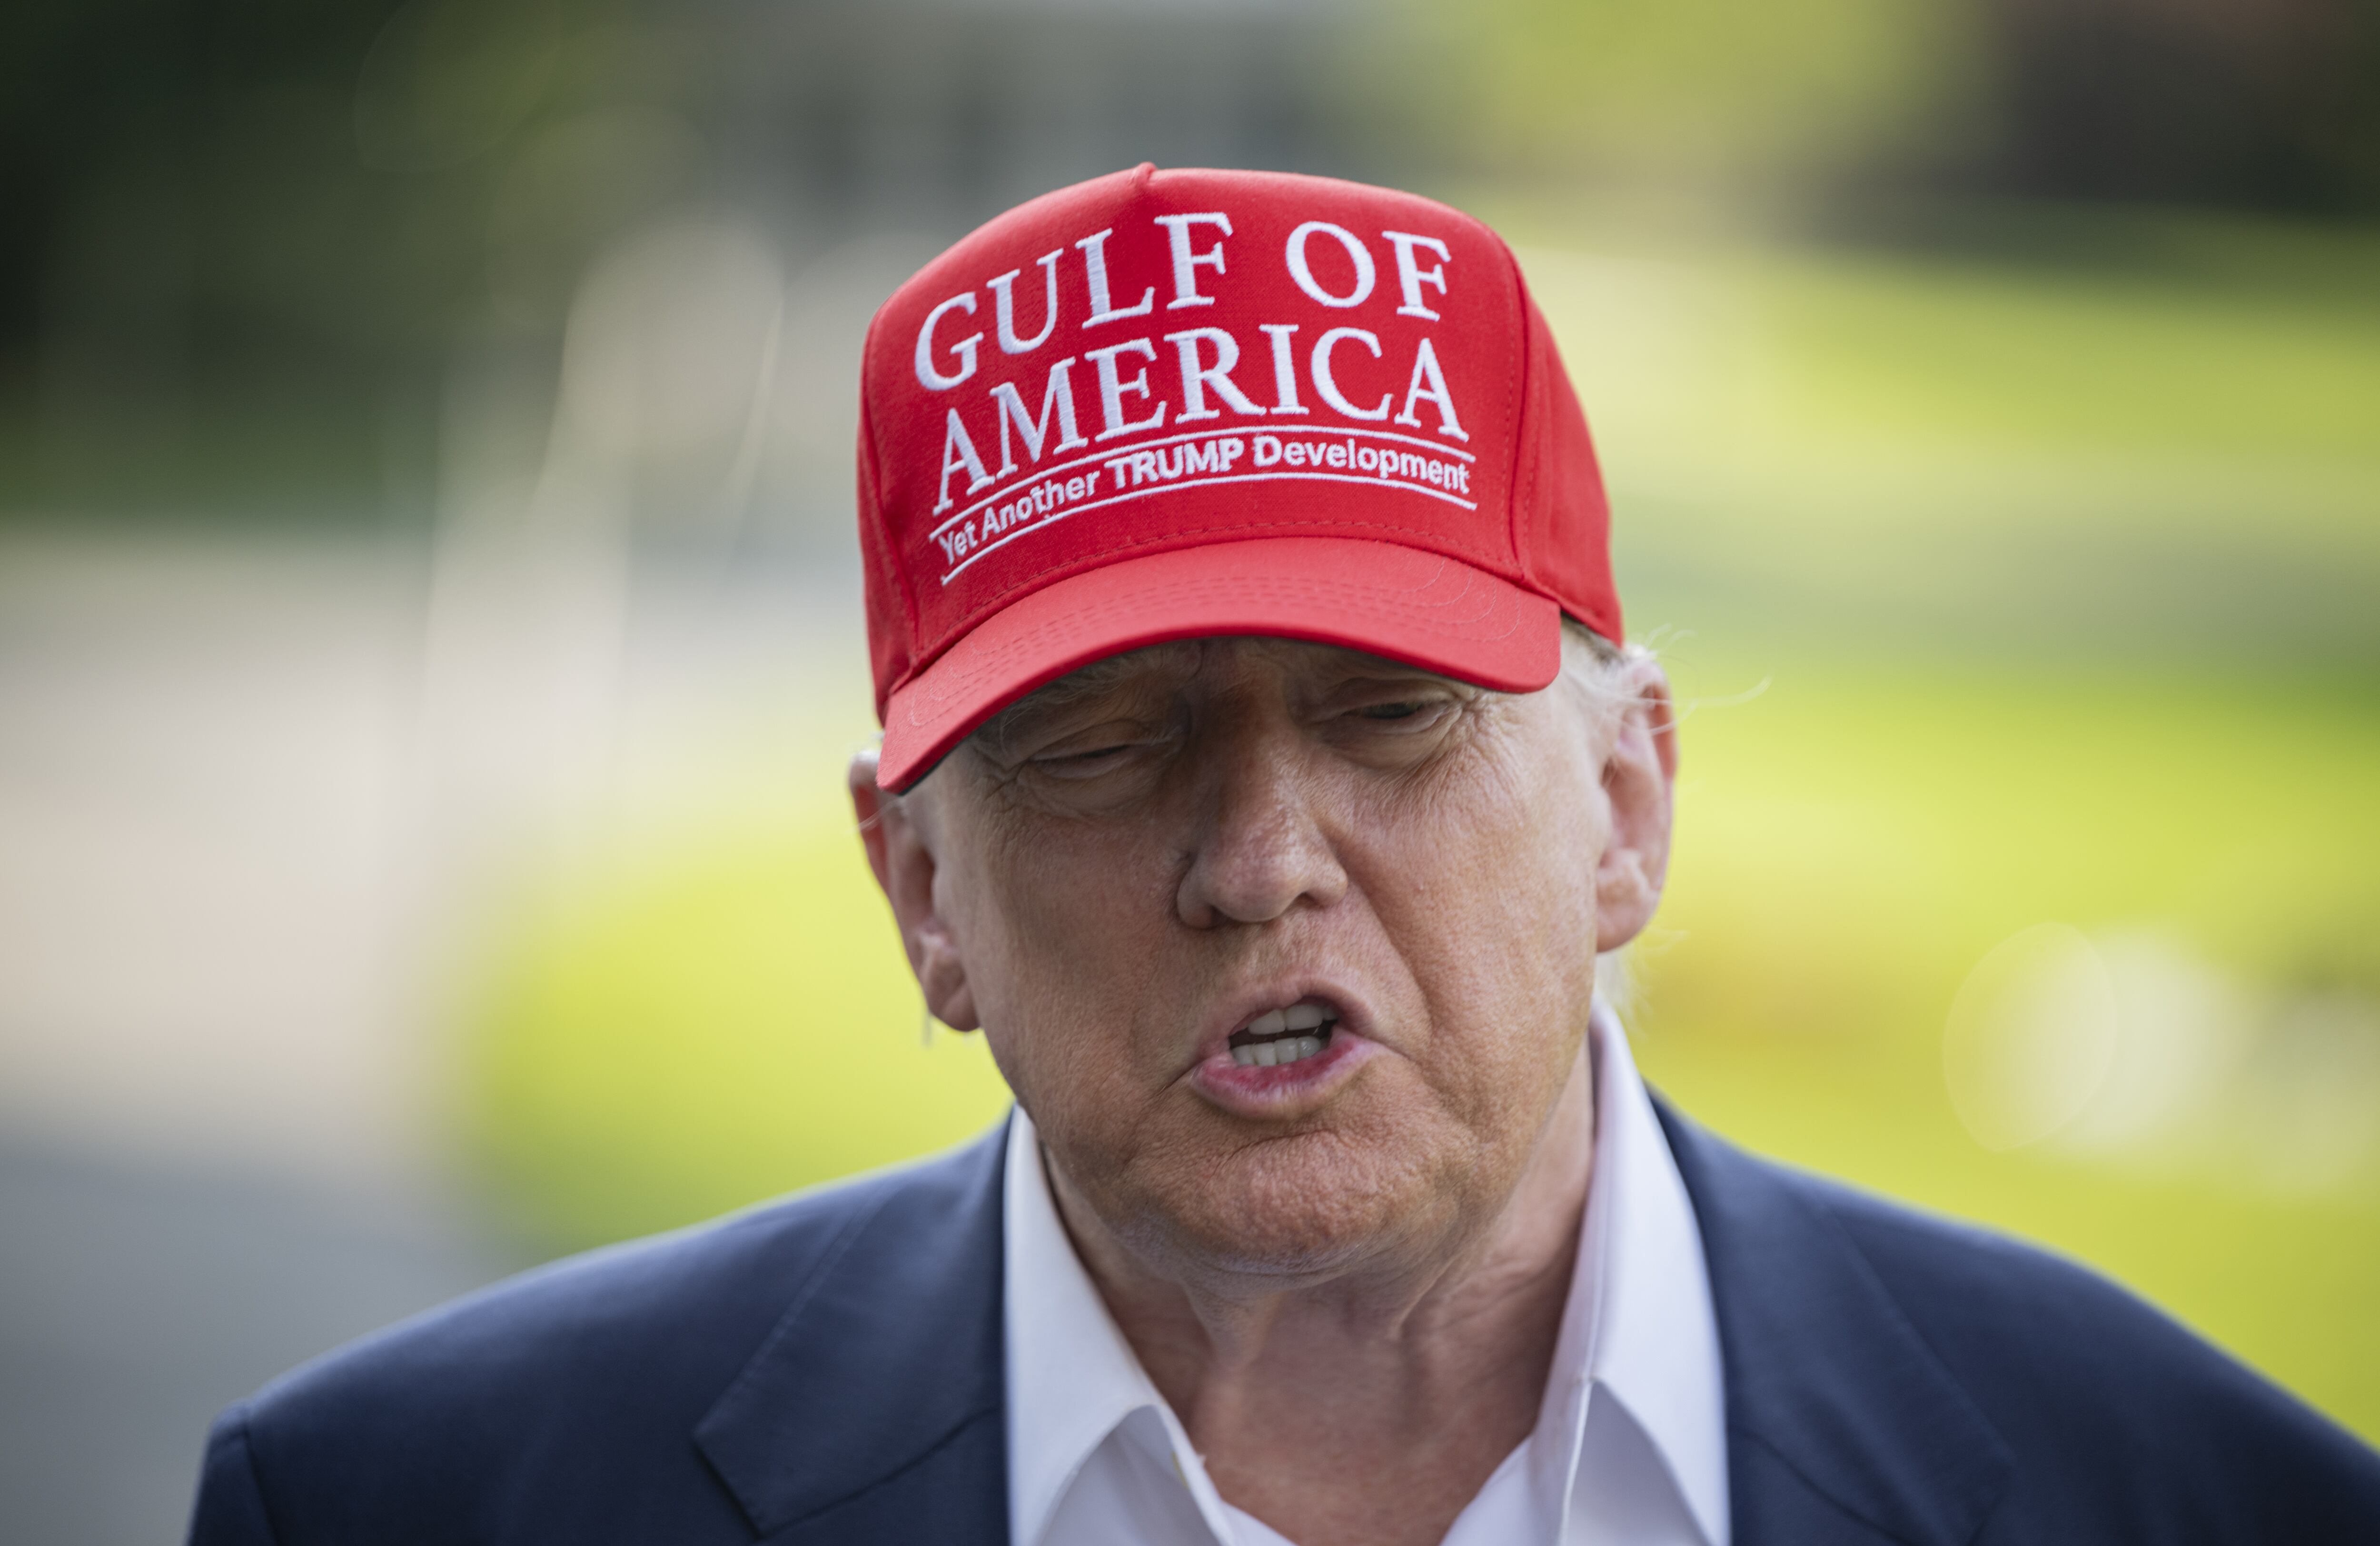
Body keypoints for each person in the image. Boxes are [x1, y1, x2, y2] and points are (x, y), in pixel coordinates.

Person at [185, 165, 2380, 1546]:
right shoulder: (408, 1503)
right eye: (1099, 743)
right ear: (919, 891)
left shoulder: (2202, 1497)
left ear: (1625, 802)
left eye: (1386, 714)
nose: (1253, 860)